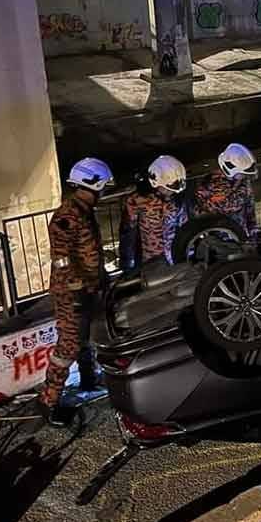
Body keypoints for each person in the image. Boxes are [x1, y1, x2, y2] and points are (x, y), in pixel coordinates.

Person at [33, 158, 113, 426]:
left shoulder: (83, 210)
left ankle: (89, 379)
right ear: (92, 184)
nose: (104, 191)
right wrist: (76, 288)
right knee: (68, 345)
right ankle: (48, 401)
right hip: (71, 293)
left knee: (86, 337)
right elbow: (61, 258)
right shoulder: (67, 216)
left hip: (87, 288)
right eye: (102, 186)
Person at [119, 155, 189, 269]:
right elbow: (128, 233)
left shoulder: (177, 199)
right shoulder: (137, 200)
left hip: (176, 258)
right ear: (155, 181)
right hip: (150, 261)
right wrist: (127, 263)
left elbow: (184, 228)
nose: (170, 192)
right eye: (167, 187)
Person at [193, 143, 259, 236]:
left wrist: (253, 228)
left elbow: (249, 206)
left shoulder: (243, 182)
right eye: (242, 173)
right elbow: (224, 206)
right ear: (231, 169)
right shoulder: (210, 184)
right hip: (217, 238)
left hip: (239, 233)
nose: (244, 176)